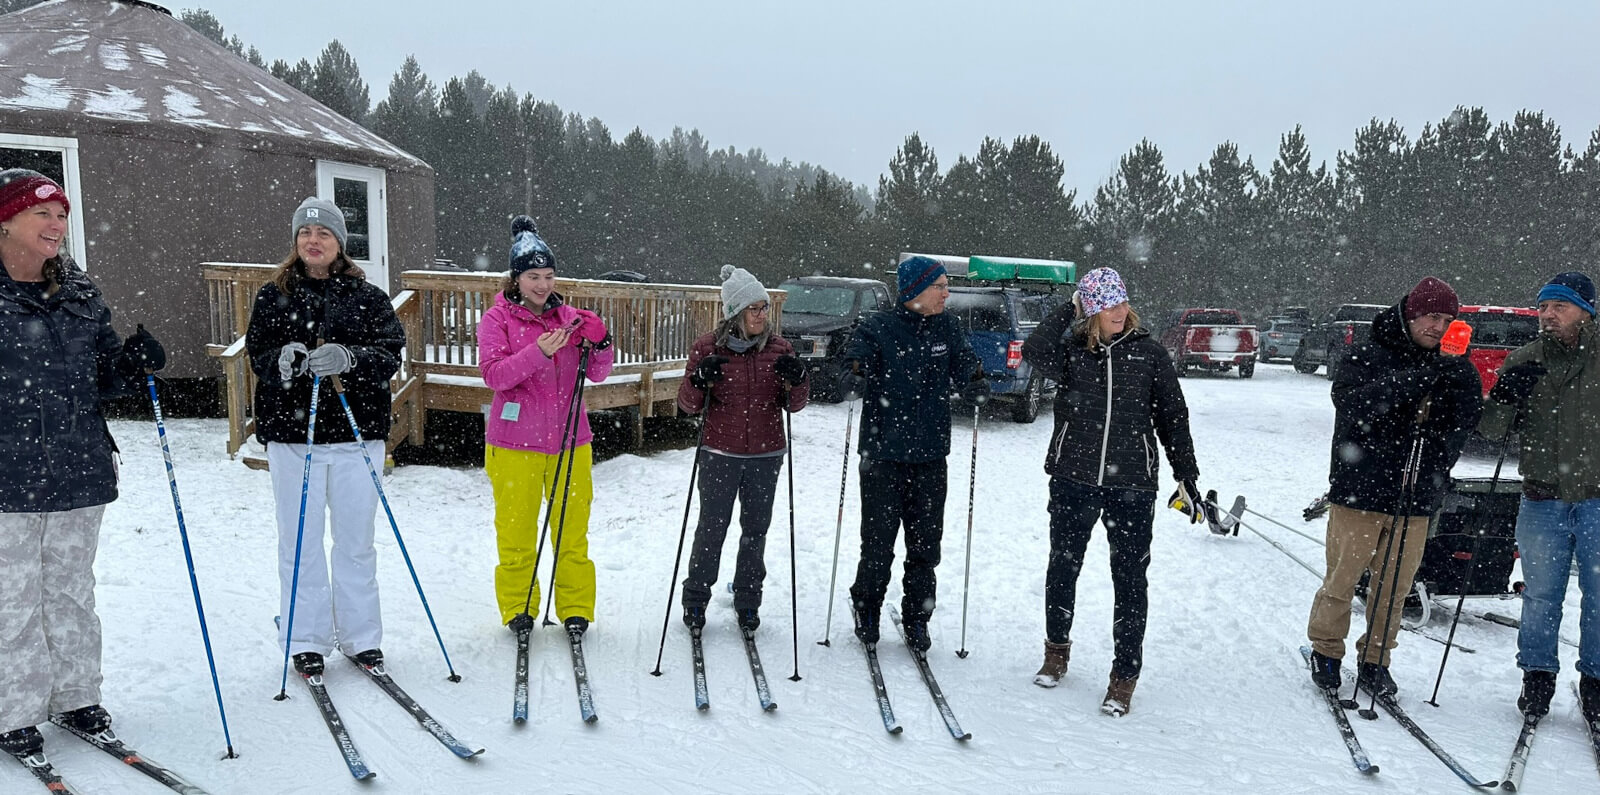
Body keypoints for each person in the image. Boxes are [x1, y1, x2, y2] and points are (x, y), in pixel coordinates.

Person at [0, 169, 165, 754]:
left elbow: (104, 378)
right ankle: (13, 709)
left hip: (78, 465)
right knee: (12, 594)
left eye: (62, 214)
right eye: (42, 213)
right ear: (7, 220)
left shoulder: (78, 291)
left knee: (71, 590)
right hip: (7, 474)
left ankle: (76, 698)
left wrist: (135, 362)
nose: (56, 225)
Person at [1019, 267, 1203, 716]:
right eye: (1106, 304)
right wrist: (1071, 305)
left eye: (1121, 303)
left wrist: (1187, 473)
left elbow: (1173, 418)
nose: (1118, 311)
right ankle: (1056, 652)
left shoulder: (1150, 355)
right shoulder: (1070, 355)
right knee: (1063, 568)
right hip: (1073, 479)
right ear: (1092, 310)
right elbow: (1033, 348)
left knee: (1130, 580)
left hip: (1132, 486)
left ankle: (1124, 675)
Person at [246, 197, 404, 676]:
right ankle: (305, 636)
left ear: (339, 244)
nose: (313, 241)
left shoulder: (368, 297)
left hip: (357, 435)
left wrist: (351, 357)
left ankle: (361, 636)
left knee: (356, 540)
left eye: (324, 234)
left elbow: (390, 353)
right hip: (294, 436)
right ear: (296, 243)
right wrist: (281, 361)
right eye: (305, 234)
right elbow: (258, 354)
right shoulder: (273, 296)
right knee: (300, 540)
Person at [1306, 276, 1481, 696]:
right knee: (1342, 580)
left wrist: (1464, 390)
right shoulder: (1368, 352)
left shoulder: (1450, 363)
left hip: (1416, 495)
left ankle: (1376, 660)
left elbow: (1460, 426)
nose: (1437, 327)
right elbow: (1352, 404)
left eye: (1446, 320)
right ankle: (1327, 651)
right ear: (1411, 312)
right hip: (1359, 490)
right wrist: (1414, 380)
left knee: (1395, 588)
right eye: (1431, 317)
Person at [840, 255, 987, 654]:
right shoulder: (877, 327)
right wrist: (853, 375)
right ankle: (867, 606)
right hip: (882, 456)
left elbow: (968, 368)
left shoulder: (948, 327)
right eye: (939, 286)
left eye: (945, 286)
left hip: (929, 456)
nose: (946, 292)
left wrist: (976, 384)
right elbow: (852, 361)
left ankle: (917, 617)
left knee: (925, 545)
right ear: (915, 290)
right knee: (878, 542)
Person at [480, 215, 612, 637]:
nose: (542, 285)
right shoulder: (497, 319)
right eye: (533, 276)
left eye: (549, 276)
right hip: (514, 445)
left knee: (573, 533)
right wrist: (537, 352)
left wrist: (602, 342)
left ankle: (575, 607)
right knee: (516, 533)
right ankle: (519, 608)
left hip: (572, 442)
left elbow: (598, 374)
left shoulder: (569, 318)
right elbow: (494, 376)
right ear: (516, 278)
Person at [1479, 271, 1600, 724]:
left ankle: (1596, 682)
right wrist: (1506, 396)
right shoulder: (1524, 359)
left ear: (1585, 312)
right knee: (1541, 596)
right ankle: (1537, 676)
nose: (1547, 316)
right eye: (1543, 307)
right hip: (1542, 499)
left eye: (1560, 307)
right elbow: (1491, 430)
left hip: (1597, 499)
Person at [676, 265, 809, 633]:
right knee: (711, 528)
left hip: (766, 455)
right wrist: (699, 379)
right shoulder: (707, 348)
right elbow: (687, 405)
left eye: (764, 307)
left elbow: (794, 405)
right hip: (720, 453)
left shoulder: (780, 348)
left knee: (756, 530)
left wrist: (798, 380)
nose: (762, 315)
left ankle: (749, 600)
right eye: (754, 308)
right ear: (735, 312)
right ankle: (696, 599)